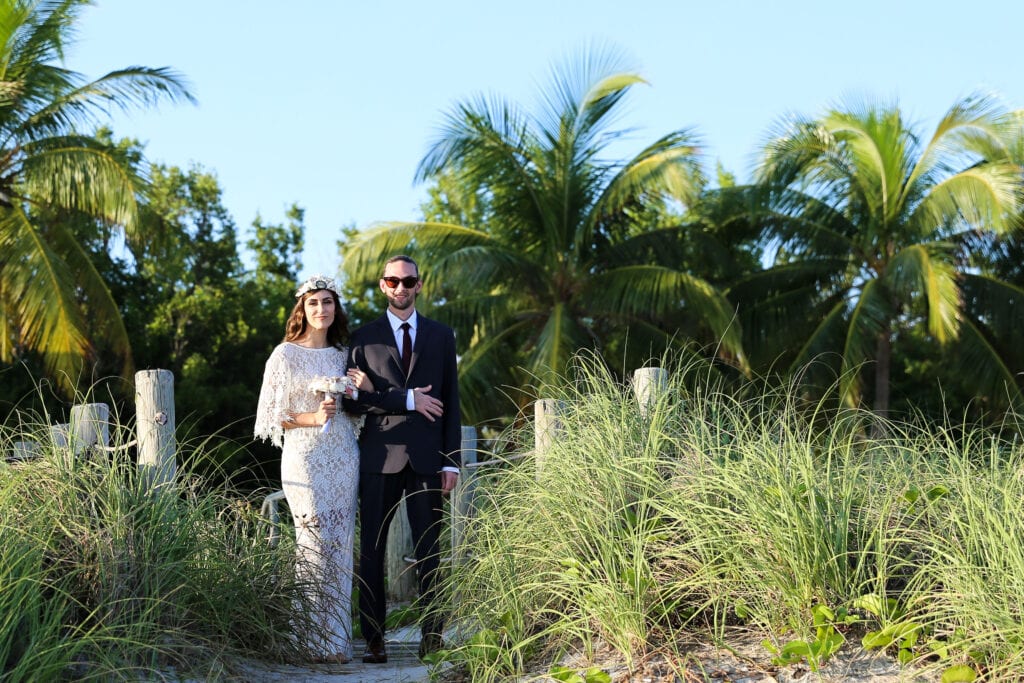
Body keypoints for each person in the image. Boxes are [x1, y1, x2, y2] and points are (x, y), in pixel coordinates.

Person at [343, 255, 461, 663]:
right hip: (379, 458)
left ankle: (433, 638)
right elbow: (354, 404)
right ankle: (374, 640)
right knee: (372, 551)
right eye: (392, 280)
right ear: (382, 285)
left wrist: (452, 461)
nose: (400, 287)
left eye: (407, 280)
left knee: (431, 551)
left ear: (419, 285)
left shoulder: (442, 335)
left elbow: (452, 399)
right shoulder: (362, 338)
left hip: (429, 460)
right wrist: (402, 398)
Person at [254, 275, 370, 665]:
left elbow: (359, 409)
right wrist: (310, 416)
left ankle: (336, 642)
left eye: (328, 302)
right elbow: (269, 416)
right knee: (313, 543)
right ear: (301, 310)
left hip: (343, 453)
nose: (322, 310)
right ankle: (308, 638)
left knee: (340, 542)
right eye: (314, 303)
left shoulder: (344, 354)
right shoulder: (284, 354)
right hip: (304, 455)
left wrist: (361, 389)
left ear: (336, 309)